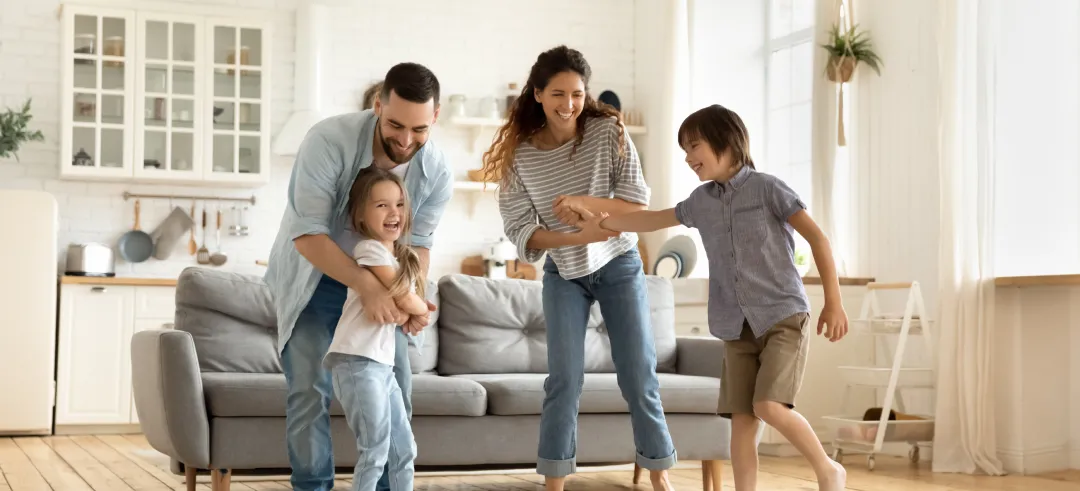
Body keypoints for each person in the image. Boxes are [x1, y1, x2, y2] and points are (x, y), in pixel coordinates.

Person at [589, 104, 850, 491]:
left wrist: (834, 301)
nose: (688, 157)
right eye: (684, 150)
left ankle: (828, 469)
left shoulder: (768, 188)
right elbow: (655, 217)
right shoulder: (701, 201)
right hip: (735, 325)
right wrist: (603, 223)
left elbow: (817, 238)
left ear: (726, 140)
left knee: (767, 406)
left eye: (694, 146)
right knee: (742, 421)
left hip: (782, 317)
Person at [480, 45, 677, 491]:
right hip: (564, 272)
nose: (568, 104)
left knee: (638, 371)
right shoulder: (521, 156)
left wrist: (586, 207)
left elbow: (637, 200)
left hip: (619, 263)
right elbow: (520, 229)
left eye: (576, 94)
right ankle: (554, 481)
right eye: (558, 93)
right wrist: (576, 237)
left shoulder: (608, 132)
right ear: (537, 94)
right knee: (564, 380)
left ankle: (660, 475)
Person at [264, 62, 453, 491]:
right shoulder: (328, 141)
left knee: (397, 393)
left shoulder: (437, 170)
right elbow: (308, 233)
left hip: (386, 281)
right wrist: (366, 286)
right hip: (317, 277)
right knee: (310, 391)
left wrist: (410, 299)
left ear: (436, 117)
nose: (406, 141)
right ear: (377, 105)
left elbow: (418, 246)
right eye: (395, 125)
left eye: (420, 129)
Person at [325, 167, 425, 491]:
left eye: (398, 204)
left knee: (403, 450)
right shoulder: (369, 250)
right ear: (362, 216)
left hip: (382, 366)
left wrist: (412, 311)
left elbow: (403, 309)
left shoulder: (401, 259)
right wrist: (419, 309)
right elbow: (405, 298)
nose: (393, 212)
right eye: (381, 205)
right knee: (376, 450)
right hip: (356, 361)